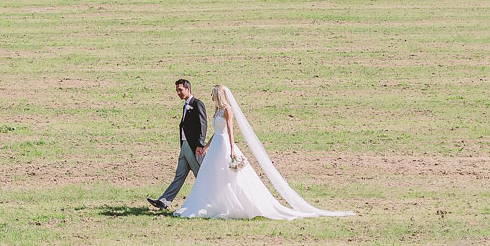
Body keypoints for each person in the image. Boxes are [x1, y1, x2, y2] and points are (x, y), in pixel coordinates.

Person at [174, 85, 352, 220]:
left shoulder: (227, 110)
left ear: (219, 95)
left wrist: (232, 150)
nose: (211, 97)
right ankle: (211, 203)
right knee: (211, 176)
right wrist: (206, 146)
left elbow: (229, 131)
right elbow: (217, 131)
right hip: (215, 146)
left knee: (230, 177)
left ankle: (236, 204)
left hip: (225, 146)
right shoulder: (218, 111)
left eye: (213, 94)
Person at [148, 78, 206, 210]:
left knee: (202, 176)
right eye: (177, 90)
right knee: (179, 175)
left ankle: (211, 200)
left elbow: (203, 124)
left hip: (193, 147)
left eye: (180, 90)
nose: (178, 93)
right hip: (185, 145)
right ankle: (164, 201)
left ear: (188, 89)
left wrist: (200, 144)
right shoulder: (186, 105)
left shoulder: (197, 104)